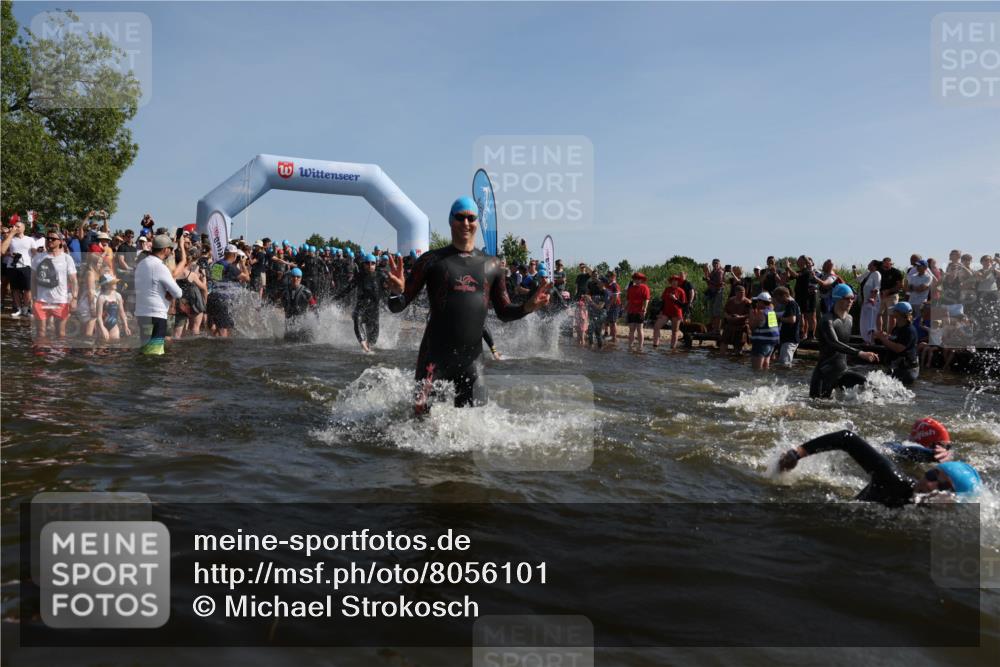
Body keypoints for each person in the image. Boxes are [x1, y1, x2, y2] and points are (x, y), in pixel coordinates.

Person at [385, 197, 549, 413]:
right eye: (460, 217)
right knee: (419, 425)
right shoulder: (431, 260)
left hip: (472, 363)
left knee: (474, 432)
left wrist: (526, 307)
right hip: (434, 359)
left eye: (471, 218)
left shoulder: (493, 265)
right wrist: (396, 293)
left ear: (477, 223)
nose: (466, 223)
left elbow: (503, 312)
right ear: (451, 221)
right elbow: (398, 306)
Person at [777, 419, 982, 507]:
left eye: (943, 486)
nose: (929, 484)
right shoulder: (894, 482)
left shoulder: (948, 520)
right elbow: (846, 437)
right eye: (931, 475)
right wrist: (797, 454)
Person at [808, 284, 879, 398]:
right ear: (837, 298)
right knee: (817, 407)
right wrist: (860, 353)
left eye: (852, 298)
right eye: (847, 298)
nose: (851, 301)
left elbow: (844, 344)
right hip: (824, 373)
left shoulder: (849, 319)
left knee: (870, 390)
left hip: (842, 370)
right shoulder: (827, 320)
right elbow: (834, 343)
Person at [134, 234, 182, 355]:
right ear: (165, 249)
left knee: (144, 349)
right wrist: (169, 293)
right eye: (170, 249)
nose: (171, 252)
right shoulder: (160, 266)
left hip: (141, 313)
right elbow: (178, 292)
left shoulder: (141, 264)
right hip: (156, 315)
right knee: (155, 353)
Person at [31, 231, 78, 338]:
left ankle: (59, 354)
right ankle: (41, 354)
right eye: (48, 238)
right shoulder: (38, 258)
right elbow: (33, 280)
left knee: (60, 333)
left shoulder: (67, 258)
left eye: (53, 239)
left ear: (60, 241)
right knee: (41, 332)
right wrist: (33, 299)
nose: (49, 240)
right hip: (41, 300)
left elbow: (74, 280)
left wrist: (74, 298)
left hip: (60, 300)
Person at [206, 244, 249, 338]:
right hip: (223, 301)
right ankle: (223, 350)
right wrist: (243, 264)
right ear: (234, 255)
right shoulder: (231, 267)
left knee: (216, 328)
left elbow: (216, 279)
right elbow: (247, 278)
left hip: (213, 298)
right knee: (223, 330)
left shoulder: (217, 264)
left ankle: (213, 348)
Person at [874, 301, 920, 386]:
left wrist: (883, 339)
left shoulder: (909, 330)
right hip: (897, 366)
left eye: (894, 311)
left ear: (899, 314)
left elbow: (899, 348)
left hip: (907, 370)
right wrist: (886, 337)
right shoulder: (897, 327)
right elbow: (895, 339)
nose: (892, 313)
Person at [351, 253, 387, 353]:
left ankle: (367, 346)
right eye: (367, 263)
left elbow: (389, 289)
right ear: (363, 264)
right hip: (361, 306)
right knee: (356, 318)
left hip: (374, 310)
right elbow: (348, 288)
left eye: (372, 263)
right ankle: (362, 343)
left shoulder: (381, 275)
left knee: (373, 341)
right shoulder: (359, 276)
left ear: (376, 264)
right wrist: (336, 298)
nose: (370, 265)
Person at [3, 220, 36, 317]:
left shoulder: (30, 239)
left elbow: (35, 253)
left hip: (26, 266)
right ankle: (18, 309)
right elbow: (2, 250)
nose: (15, 228)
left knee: (28, 289)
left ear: (24, 228)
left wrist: (38, 251)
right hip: (12, 266)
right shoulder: (10, 239)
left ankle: (26, 308)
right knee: (15, 289)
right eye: (14, 226)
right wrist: (10, 254)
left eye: (18, 226)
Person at [786, 256, 818, 340]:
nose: (797, 261)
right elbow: (788, 278)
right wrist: (787, 269)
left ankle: (811, 335)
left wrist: (789, 267)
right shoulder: (800, 271)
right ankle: (801, 333)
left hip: (806, 297)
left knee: (808, 316)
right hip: (799, 296)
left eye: (799, 260)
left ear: (803, 262)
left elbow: (796, 276)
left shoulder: (807, 271)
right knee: (800, 316)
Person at [652, 275, 686, 349]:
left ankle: (672, 348)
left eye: (676, 281)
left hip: (676, 313)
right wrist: (660, 311)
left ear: (678, 282)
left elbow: (683, 305)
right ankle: (655, 345)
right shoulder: (667, 289)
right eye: (672, 281)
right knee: (656, 326)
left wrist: (675, 299)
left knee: (674, 331)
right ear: (671, 282)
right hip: (666, 312)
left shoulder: (681, 291)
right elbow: (663, 301)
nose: (674, 282)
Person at [281, 267, 315, 340]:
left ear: (301, 278)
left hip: (301, 322)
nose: (295, 279)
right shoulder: (284, 291)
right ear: (290, 277)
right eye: (293, 276)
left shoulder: (306, 291)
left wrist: (317, 320)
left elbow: (314, 306)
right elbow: (273, 299)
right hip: (289, 322)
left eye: (298, 277)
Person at [748, 291, 779, 371]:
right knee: (765, 365)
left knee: (756, 369)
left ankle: (756, 382)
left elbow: (752, 327)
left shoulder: (761, 313)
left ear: (761, 302)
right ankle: (765, 381)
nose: (756, 304)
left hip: (762, 342)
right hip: (771, 343)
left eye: (757, 301)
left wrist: (751, 313)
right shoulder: (772, 312)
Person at [95, 274, 130, 341]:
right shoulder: (101, 297)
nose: (115, 283)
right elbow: (99, 316)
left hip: (113, 325)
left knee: (115, 344)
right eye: (113, 283)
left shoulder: (118, 296)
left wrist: (126, 326)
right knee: (103, 345)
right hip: (102, 325)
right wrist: (103, 329)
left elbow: (122, 313)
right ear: (106, 285)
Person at [772, 286, 801, 367]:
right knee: (782, 364)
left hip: (790, 339)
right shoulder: (790, 304)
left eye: (778, 298)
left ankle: (786, 379)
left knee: (785, 365)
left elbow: (792, 320)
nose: (777, 301)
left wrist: (779, 318)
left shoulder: (791, 304)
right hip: (787, 338)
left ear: (784, 295)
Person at [719, 284, 751, 355]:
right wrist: (728, 316)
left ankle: (737, 361)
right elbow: (724, 311)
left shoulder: (748, 302)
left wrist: (740, 317)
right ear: (736, 292)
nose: (742, 294)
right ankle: (721, 359)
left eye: (743, 293)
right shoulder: (731, 300)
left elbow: (750, 314)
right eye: (741, 293)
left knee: (738, 346)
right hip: (729, 325)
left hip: (741, 326)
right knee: (723, 342)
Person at [858, 259, 882, 344]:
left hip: (873, 301)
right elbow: (858, 279)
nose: (868, 264)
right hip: (866, 301)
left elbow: (877, 286)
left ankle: (872, 341)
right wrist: (854, 270)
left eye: (870, 263)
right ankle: (866, 340)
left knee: (871, 322)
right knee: (864, 321)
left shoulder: (876, 274)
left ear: (874, 266)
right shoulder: (867, 273)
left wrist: (872, 297)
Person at [625, 272, 650, 351]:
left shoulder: (645, 287)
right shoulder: (631, 288)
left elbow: (646, 299)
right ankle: (630, 345)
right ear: (634, 279)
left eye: (639, 278)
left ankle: (640, 346)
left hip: (640, 311)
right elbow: (628, 300)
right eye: (635, 278)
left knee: (639, 329)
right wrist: (625, 308)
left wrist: (645, 309)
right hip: (631, 310)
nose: (637, 280)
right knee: (631, 329)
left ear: (642, 279)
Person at [879, 257, 904, 333]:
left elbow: (901, 285)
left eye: (888, 264)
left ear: (891, 264)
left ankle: (890, 333)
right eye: (884, 264)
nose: (886, 266)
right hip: (881, 295)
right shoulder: (879, 272)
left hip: (892, 296)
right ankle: (881, 332)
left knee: (892, 315)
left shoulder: (896, 272)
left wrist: (889, 291)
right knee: (879, 314)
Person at [585, 278, 608, 349]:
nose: (598, 282)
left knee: (590, 329)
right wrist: (586, 298)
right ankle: (598, 349)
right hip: (593, 313)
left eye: (599, 281)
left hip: (601, 314)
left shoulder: (605, 292)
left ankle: (592, 346)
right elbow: (589, 299)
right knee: (597, 332)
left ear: (603, 283)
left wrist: (590, 301)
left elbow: (600, 307)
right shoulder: (596, 290)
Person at [703, 259, 726, 333]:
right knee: (712, 311)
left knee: (717, 312)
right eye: (714, 263)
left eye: (717, 263)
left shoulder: (720, 272)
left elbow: (719, 283)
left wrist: (709, 280)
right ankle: (713, 328)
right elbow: (709, 282)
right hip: (712, 293)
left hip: (718, 293)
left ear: (719, 264)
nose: (715, 264)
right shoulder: (713, 272)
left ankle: (717, 329)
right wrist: (706, 271)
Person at [602, 269, 622, 342]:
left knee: (613, 322)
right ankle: (612, 337)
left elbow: (615, 297)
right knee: (610, 322)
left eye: (609, 276)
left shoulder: (615, 285)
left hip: (615, 305)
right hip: (610, 305)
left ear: (613, 277)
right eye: (607, 276)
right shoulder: (609, 285)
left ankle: (614, 338)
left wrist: (609, 305)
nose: (607, 278)